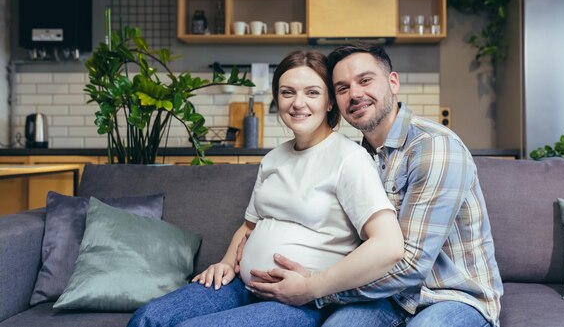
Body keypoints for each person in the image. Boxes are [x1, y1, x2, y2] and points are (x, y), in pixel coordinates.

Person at [127, 50, 404, 327]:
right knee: (147, 318)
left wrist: (313, 287)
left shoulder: (350, 158)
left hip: (299, 300)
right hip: (242, 286)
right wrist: (225, 262)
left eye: (312, 92)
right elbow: (249, 226)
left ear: (330, 102)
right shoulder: (273, 158)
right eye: (287, 92)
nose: (298, 103)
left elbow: (388, 246)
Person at [245, 42, 503, 327]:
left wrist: (315, 289)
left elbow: (411, 265)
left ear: (393, 83)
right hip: (387, 298)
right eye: (342, 88)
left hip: (451, 297)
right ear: (335, 100)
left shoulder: (433, 147)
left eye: (365, 80)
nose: (355, 94)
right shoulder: (359, 156)